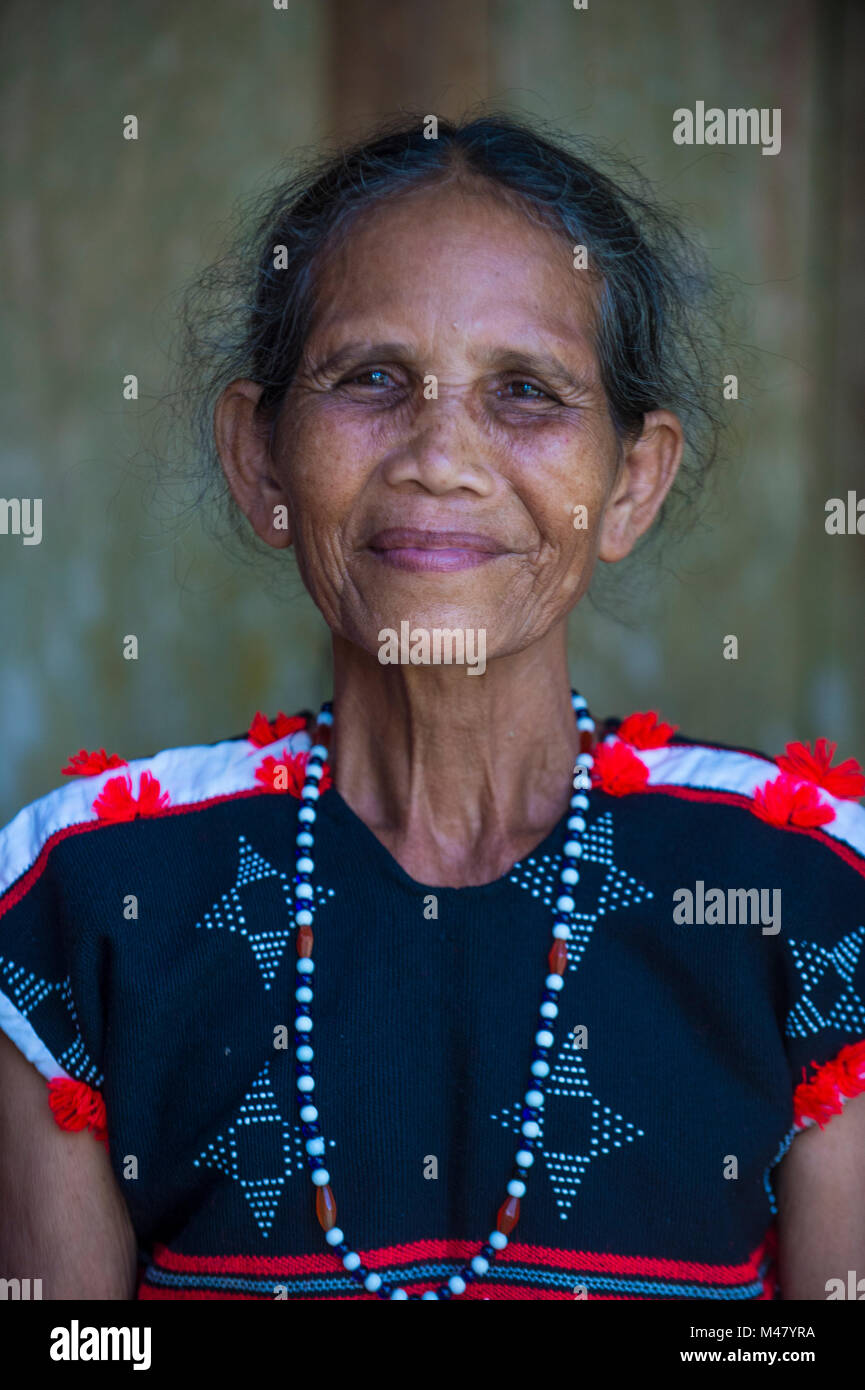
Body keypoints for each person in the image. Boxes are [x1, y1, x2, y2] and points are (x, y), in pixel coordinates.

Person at [1, 115, 863, 1302]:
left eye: (526, 392)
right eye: (371, 380)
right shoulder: (84, 894)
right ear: (261, 461)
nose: (440, 457)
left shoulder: (806, 889)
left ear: (631, 483)